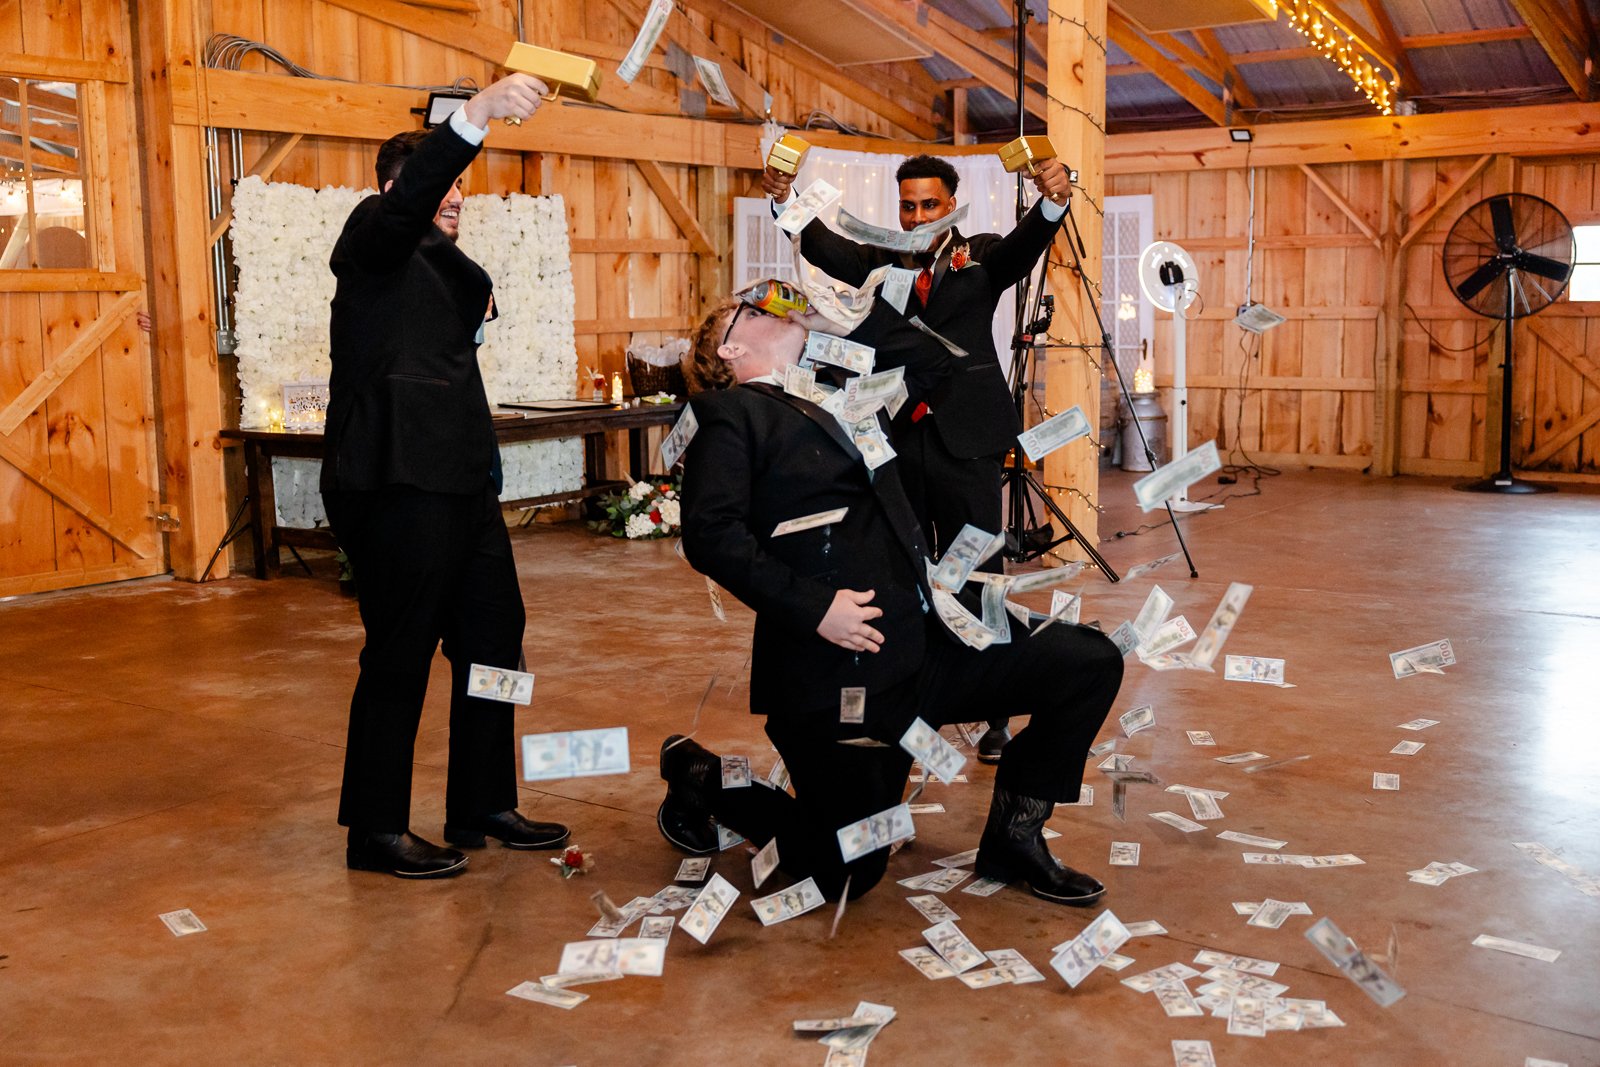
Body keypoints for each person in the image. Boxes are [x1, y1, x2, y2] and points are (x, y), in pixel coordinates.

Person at [656, 298, 1124, 905]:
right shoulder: (730, 413)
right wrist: (816, 609)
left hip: (928, 645)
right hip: (843, 677)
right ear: (731, 348)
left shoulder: (845, 391)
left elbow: (938, 368)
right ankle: (698, 773)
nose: (774, 302)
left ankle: (1015, 835)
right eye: (752, 307)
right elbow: (711, 534)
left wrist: (839, 323)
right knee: (850, 871)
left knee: (1088, 660)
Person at [320, 73, 570, 879]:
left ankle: (482, 802)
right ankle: (376, 829)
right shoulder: (371, 236)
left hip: (464, 484)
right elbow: (409, 202)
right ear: (397, 188)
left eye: (463, 188)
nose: (456, 197)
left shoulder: (440, 264)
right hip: (397, 481)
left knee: (497, 638)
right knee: (399, 651)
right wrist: (475, 117)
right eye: (443, 183)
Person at [762, 152, 1074, 763]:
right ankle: (911, 702)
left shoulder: (981, 255)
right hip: (896, 441)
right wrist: (783, 198)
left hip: (969, 440)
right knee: (904, 574)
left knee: (977, 572)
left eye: (929, 205)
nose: (917, 216)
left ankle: (995, 716)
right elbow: (822, 244)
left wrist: (1054, 200)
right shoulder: (880, 261)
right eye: (908, 206)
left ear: (952, 205)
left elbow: (1027, 243)